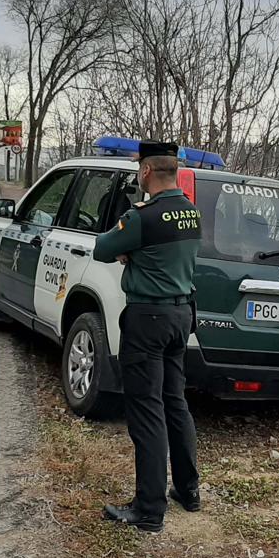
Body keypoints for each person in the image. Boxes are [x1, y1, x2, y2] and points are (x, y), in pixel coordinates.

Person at [93, 140, 202, 533]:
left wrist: (131, 252)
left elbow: (102, 248)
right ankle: (188, 491)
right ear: (175, 170)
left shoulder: (142, 216)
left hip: (148, 319)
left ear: (145, 172)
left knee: (146, 411)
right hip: (180, 316)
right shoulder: (192, 213)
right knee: (175, 403)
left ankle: (149, 508)